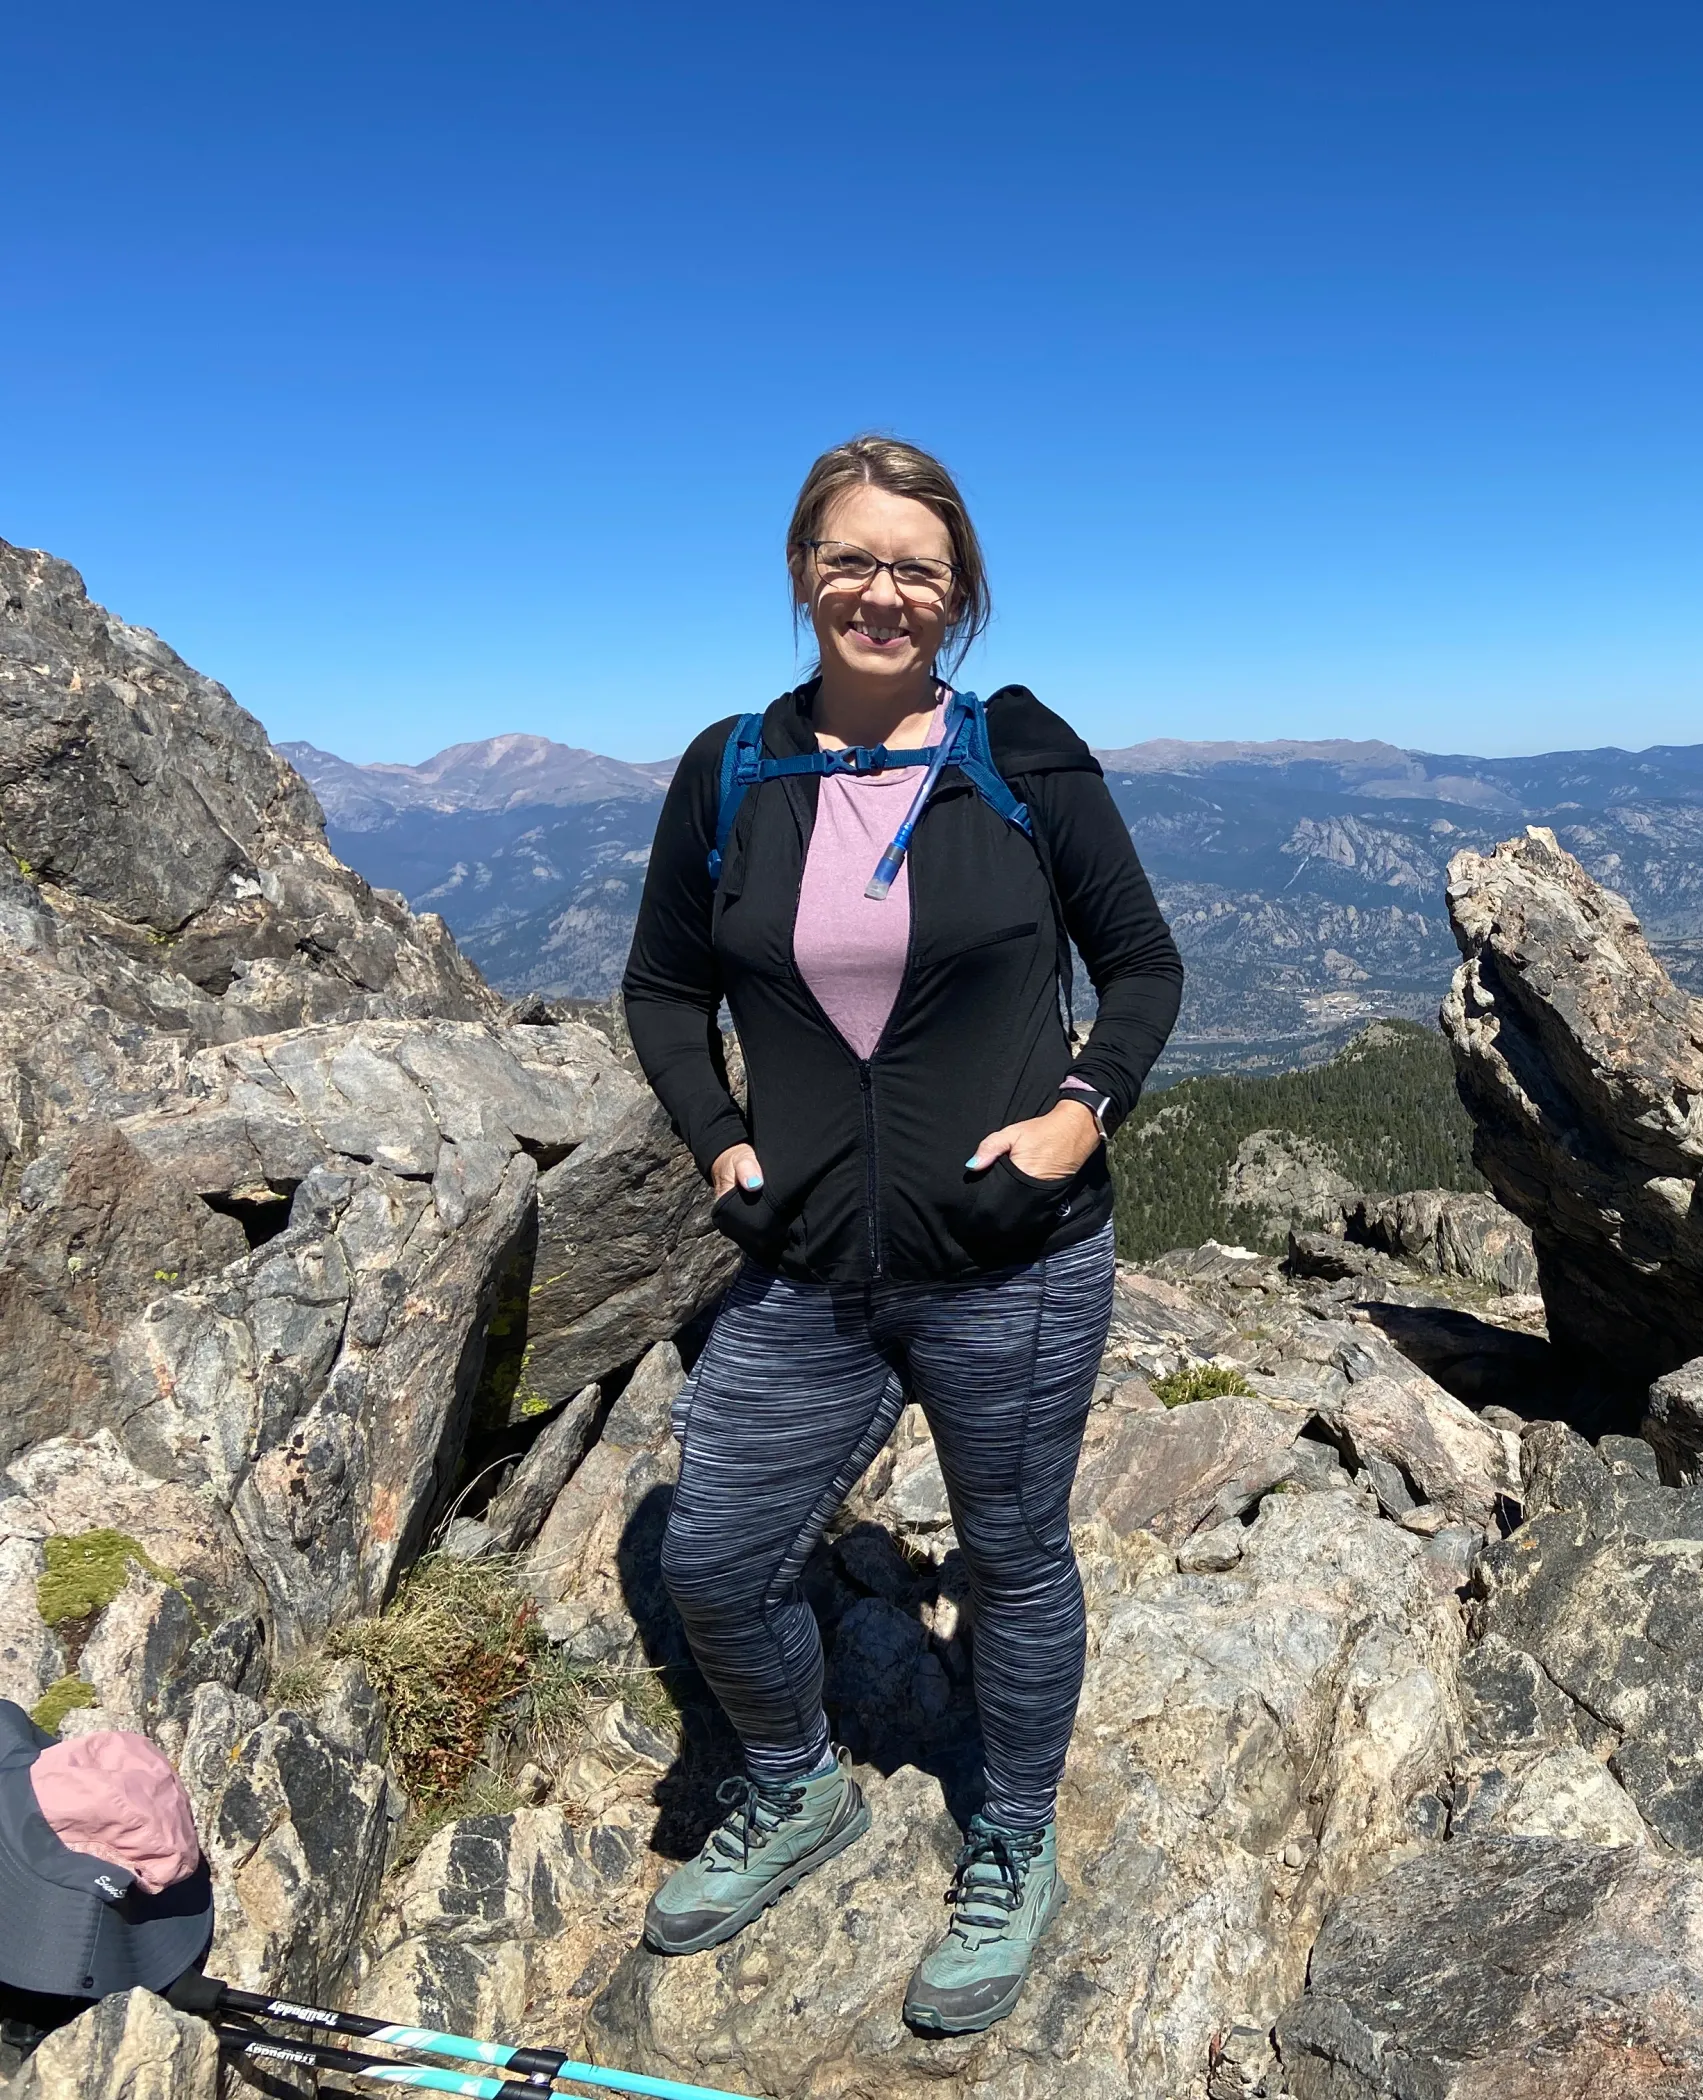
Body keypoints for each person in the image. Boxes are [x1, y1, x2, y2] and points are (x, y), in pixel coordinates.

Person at [620, 434, 1182, 2034]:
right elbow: (663, 988)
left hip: (1014, 1261)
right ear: (803, 571)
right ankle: (797, 1788)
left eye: (917, 570)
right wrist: (721, 1141)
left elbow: (1143, 968)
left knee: (1012, 1562)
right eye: (853, 560)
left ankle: (1010, 1837)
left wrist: (1081, 1113)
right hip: (803, 1264)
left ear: (961, 593)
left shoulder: (1018, 752)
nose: (884, 592)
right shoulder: (729, 768)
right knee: (717, 1561)